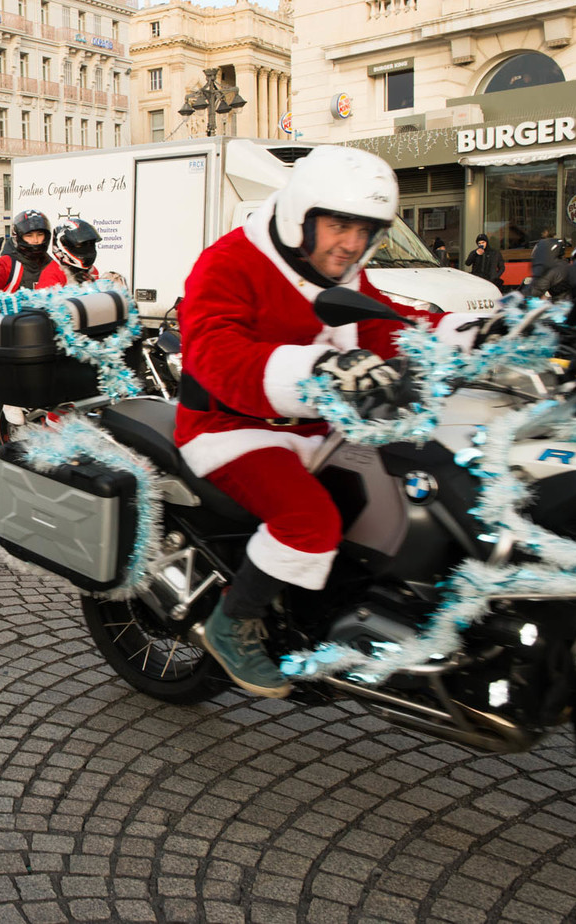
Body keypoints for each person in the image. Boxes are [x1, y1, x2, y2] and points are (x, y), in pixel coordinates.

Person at [176, 145, 487, 700]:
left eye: (365, 229)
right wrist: (325, 372)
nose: (351, 243)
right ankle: (232, 624)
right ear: (302, 216)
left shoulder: (340, 270)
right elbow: (217, 356)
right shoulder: (229, 262)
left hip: (323, 428)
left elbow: (385, 328)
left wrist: (483, 331)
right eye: (339, 224)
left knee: (410, 489)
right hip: (234, 428)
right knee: (310, 522)